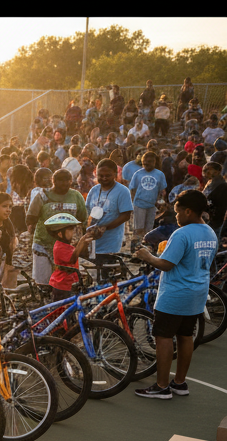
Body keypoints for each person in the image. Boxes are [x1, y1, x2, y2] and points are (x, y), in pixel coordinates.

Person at [132, 189, 218, 398]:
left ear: (188, 211)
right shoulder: (209, 232)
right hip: (197, 291)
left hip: (176, 293)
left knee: (163, 337)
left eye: (178, 212)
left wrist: (147, 256)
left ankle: (161, 386)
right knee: (185, 336)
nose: (177, 216)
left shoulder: (182, 233)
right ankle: (180, 382)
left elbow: (166, 264)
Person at [26, 167, 89, 287]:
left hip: (66, 248)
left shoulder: (76, 196)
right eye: (61, 181)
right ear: (53, 181)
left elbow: (83, 219)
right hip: (43, 245)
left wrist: (83, 243)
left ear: (71, 181)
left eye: (67, 181)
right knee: (43, 284)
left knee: (64, 283)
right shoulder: (43, 196)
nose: (64, 184)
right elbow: (30, 218)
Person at [85, 158, 134, 273]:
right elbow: (87, 211)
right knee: (95, 273)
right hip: (93, 240)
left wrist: (106, 227)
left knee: (108, 272)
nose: (104, 178)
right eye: (100, 175)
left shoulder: (122, 191)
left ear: (115, 174)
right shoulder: (94, 190)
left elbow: (126, 215)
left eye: (108, 175)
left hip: (111, 240)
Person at [45, 213, 97, 300]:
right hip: (62, 284)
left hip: (70, 283)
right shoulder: (59, 247)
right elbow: (72, 259)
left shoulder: (67, 245)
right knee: (62, 310)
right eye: (70, 229)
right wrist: (81, 242)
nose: (73, 232)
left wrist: (84, 243)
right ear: (60, 234)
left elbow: (77, 253)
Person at [127, 150, 167, 246]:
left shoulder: (159, 174)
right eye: (144, 161)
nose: (146, 163)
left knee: (149, 229)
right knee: (138, 228)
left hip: (152, 205)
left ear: (154, 162)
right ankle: (136, 246)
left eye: (149, 161)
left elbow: (162, 190)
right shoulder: (138, 174)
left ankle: (145, 247)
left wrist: (161, 200)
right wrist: (132, 203)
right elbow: (132, 189)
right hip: (139, 204)